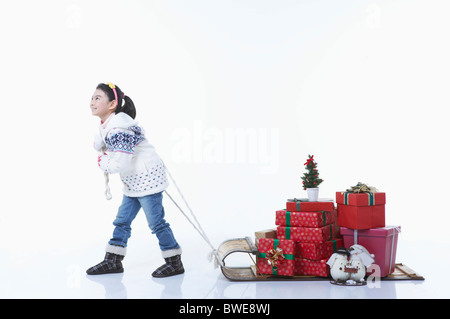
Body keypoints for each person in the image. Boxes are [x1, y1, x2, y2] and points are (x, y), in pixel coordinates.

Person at [86, 82, 184, 278]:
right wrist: (101, 144)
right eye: (92, 98)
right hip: (134, 182)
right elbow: (104, 140)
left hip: (146, 179)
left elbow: (119, 164)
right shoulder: (110, 125)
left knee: (156, 223)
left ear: (112, 104)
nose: (92, 102)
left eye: (98, 98)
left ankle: (174, 262)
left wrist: (102, 160)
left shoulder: (119, 128)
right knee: (122, 220)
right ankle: (113, 260)